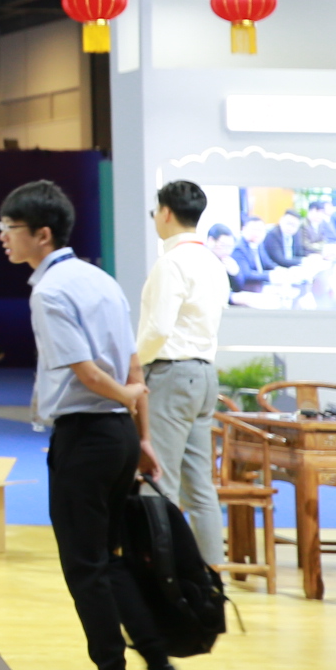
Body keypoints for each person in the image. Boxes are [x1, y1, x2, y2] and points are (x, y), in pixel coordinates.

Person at [0, 180, 184, 670]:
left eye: (10, 228)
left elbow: (88, 372)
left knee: (85, 567)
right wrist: (141, 436)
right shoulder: (101, 281)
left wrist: (127, 400)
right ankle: (161, 669)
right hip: (118, 436)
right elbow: (133, 366)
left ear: (42, 234)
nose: (3, 238)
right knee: (109, 560)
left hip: (85, 436)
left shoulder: (50, 292)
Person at [137, 179, 229, 569]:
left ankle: (164, 575)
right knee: (201, 486)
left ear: (166, 213)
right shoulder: (212, 261)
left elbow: (158, 329)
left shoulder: (171, 262)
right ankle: (211, 576)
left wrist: (134, 364)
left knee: (160, 479)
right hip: (204, 374)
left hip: (172, 374)